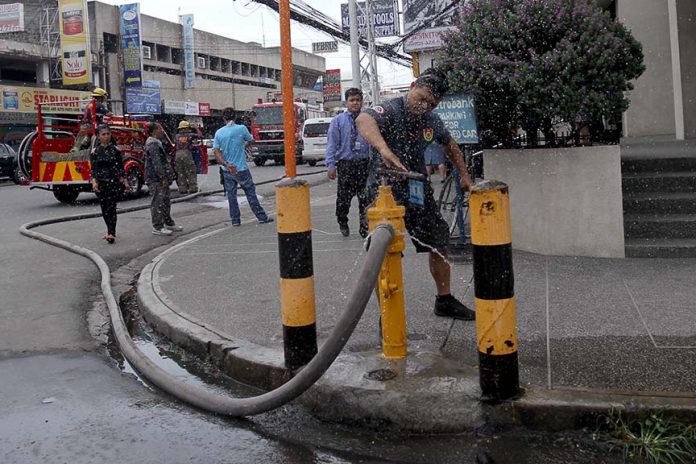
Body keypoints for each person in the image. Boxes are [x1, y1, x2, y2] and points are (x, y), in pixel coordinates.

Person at [356, 68, 476, 321]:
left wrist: (464, 175)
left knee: (439, 239)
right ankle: (387, 315)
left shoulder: (431, 120)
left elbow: (450, 144)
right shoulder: (391, 109)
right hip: (383, 191)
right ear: (412, 86)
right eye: (421, 98)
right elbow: (363, 120)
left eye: (430, 104)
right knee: (384, 251)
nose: (423, 106)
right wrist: (384, 150)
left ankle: (444, 299)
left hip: (417, 189)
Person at [213, 107, 273, 226]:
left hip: (227, 169)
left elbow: (216, 151)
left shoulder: (219, 133)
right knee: (250, 193)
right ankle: (261, 217)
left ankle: (235, 220)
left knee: (231, 196)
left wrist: (226, 164)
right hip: (241, 169)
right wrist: (243, 144)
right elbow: (251, 140)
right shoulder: (241, 129)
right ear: (235, 117)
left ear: (223, 118)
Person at [325, 88, 371, 238]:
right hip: (346, 165)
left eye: (358, 100)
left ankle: (364, 227)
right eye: (352, 100)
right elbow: (332, 144)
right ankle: (342, 220)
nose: (355, 103)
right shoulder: (338, 121)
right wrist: (331, 165)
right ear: (346, 102)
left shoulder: (368, 119)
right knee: (344, 199)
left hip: (364, 164)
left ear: (362, 101)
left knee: (365, 198)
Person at [90, 125, 128, 243]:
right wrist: (94, 182)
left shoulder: (115, 150)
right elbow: (93, 169)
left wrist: (124, 181)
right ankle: (108, 230)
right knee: (104, 208)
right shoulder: (95, 152)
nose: (106, 136)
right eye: (103, 134)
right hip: (101, 183)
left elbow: (120, 167)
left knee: (111, 207)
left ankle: (112, 232)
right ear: (98, 137)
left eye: (108, 134)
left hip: (113, 182)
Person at [144, 122, 183, 236]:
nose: (162, 131)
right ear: (154, 131)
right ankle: (158, 226)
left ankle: (168, 222)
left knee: (165, 201)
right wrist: (163, 178)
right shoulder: (153, 144)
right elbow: (157, 163)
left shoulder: (157, 143)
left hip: (160, 178)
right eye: (160, 128)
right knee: (158, 202)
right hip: (156, 179)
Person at [173, 120, 201, 194]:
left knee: (180, 172)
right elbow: (200, 135)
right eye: (187, 128)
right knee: (190, 171)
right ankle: (193, 188)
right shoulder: (189, 135)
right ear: (184, 129)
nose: (189, 129)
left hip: (177, 154)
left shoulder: (176, 136)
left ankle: (183, 189)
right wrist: (197, 128)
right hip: (186, 153)